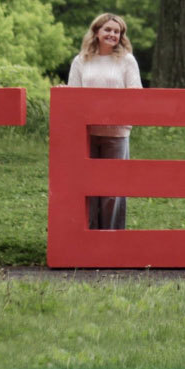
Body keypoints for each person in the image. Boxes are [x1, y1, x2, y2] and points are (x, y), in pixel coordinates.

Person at [67, 13, 142, 230]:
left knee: (113, 189)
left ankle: (112, 237)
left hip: (117, 133)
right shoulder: (81, 60)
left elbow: (136, 92)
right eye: (108, 30)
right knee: (88, 188)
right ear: (97, 32)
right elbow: (74, 93)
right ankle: (88, 236)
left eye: (117, 32)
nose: (112, 34)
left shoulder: (127, 60)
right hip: (88, 133)